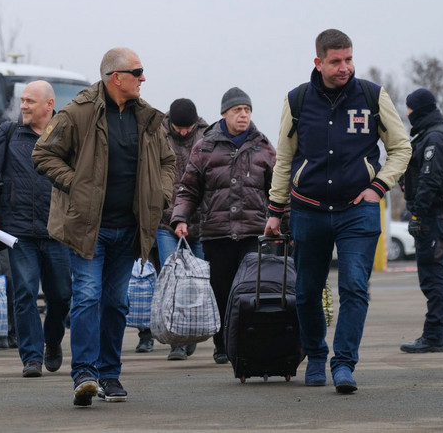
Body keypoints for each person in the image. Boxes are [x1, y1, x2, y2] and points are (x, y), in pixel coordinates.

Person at [264, 29, 412, 394]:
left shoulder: (373, 96)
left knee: (354, 288)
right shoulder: (297, 100)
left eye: (349, 59)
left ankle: (344, 364)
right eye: (336, 61)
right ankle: (316, 355)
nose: (344, 67)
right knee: (307, 291)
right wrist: (275, 209)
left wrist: (378, 187)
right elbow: (284, 159)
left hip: (357, 210)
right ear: (319, 62)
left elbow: (401, 148)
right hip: (308, 210)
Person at [32, 48, 175, 406]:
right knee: (87, 295)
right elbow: (43, 153)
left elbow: (168, 161)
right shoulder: (78, 113)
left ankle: (109, 375)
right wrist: (76, 185)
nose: (143, 78)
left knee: (115, 303)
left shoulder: (146, 117)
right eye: (137, 72)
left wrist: (161, 194)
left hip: (129, 229)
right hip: (87, 228)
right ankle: (84, 374)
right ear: (116, 77)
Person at [0, 80, 72, 378]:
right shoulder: (10, 132)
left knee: (61, 296)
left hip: (57, 230)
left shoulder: (67, 135)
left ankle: (52, 341)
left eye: (30, 101)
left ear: (49, 105)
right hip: (19, 233)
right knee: (25, 292)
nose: (23, 106)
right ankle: (31, 356)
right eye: (23, 100)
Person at [171, 88, 275, 364]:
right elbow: (188, 189)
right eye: (237, 110)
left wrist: (286, 224)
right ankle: (222, 344)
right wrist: (180, 218)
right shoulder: (204, 147)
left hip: (253, 232)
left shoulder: (263, 146)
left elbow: (278, 191)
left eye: (247, 110)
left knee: (250, 290)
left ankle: (245, 343)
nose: (243, 115)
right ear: (224, 114)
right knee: (221, 290)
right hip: (217, 234)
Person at [139, 98, 209, 360]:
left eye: (187, 128)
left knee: (200, 281)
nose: (183, 132)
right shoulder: (157, 134)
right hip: (165, 220)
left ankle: (192, 332)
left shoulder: (206, 136)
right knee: (172, 278)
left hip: (199, 221)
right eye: (179, 128)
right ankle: (176, 341)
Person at [399, 89, 443, 354]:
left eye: (409, 109)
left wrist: (417, 214)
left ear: (419, 110)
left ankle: (434, 334)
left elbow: (430, 180)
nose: (407, 114)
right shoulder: (439, 133)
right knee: (441, 273)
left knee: (432, 275)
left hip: (433, 215)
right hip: (442, 213)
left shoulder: (434, 137)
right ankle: (441, 332)